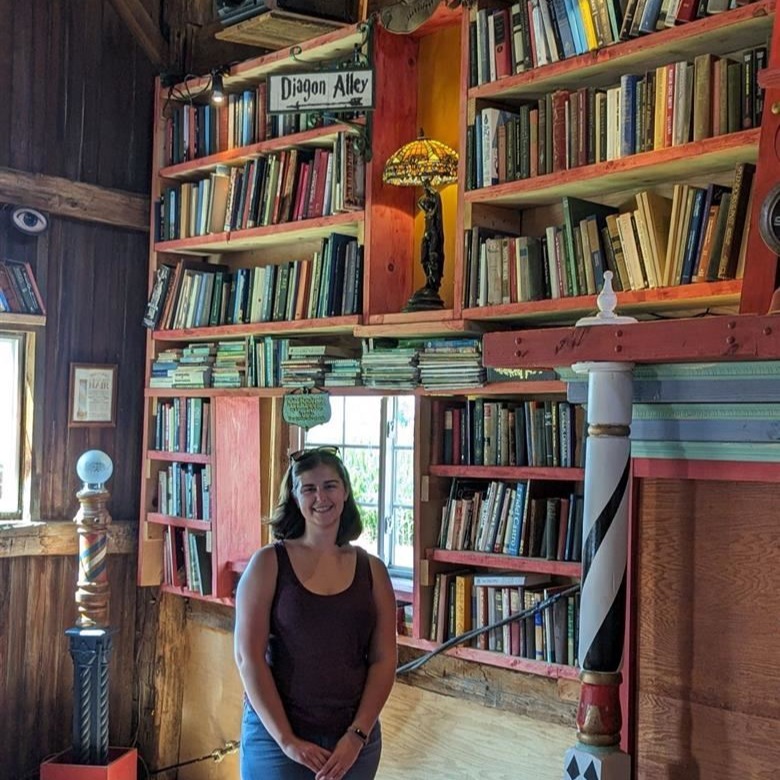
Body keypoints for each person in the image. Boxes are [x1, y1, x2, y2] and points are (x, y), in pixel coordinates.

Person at [235, 446, 398, 780]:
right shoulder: (268, 563)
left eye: (330, 486)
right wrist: (287, 740)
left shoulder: (374, 570)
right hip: (276, 739)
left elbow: (384, 660)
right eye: (308, 488)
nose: (320, 497)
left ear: (346, 491)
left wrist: (357, 736)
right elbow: (247, 657)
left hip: (352, 740)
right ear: (295, 496)